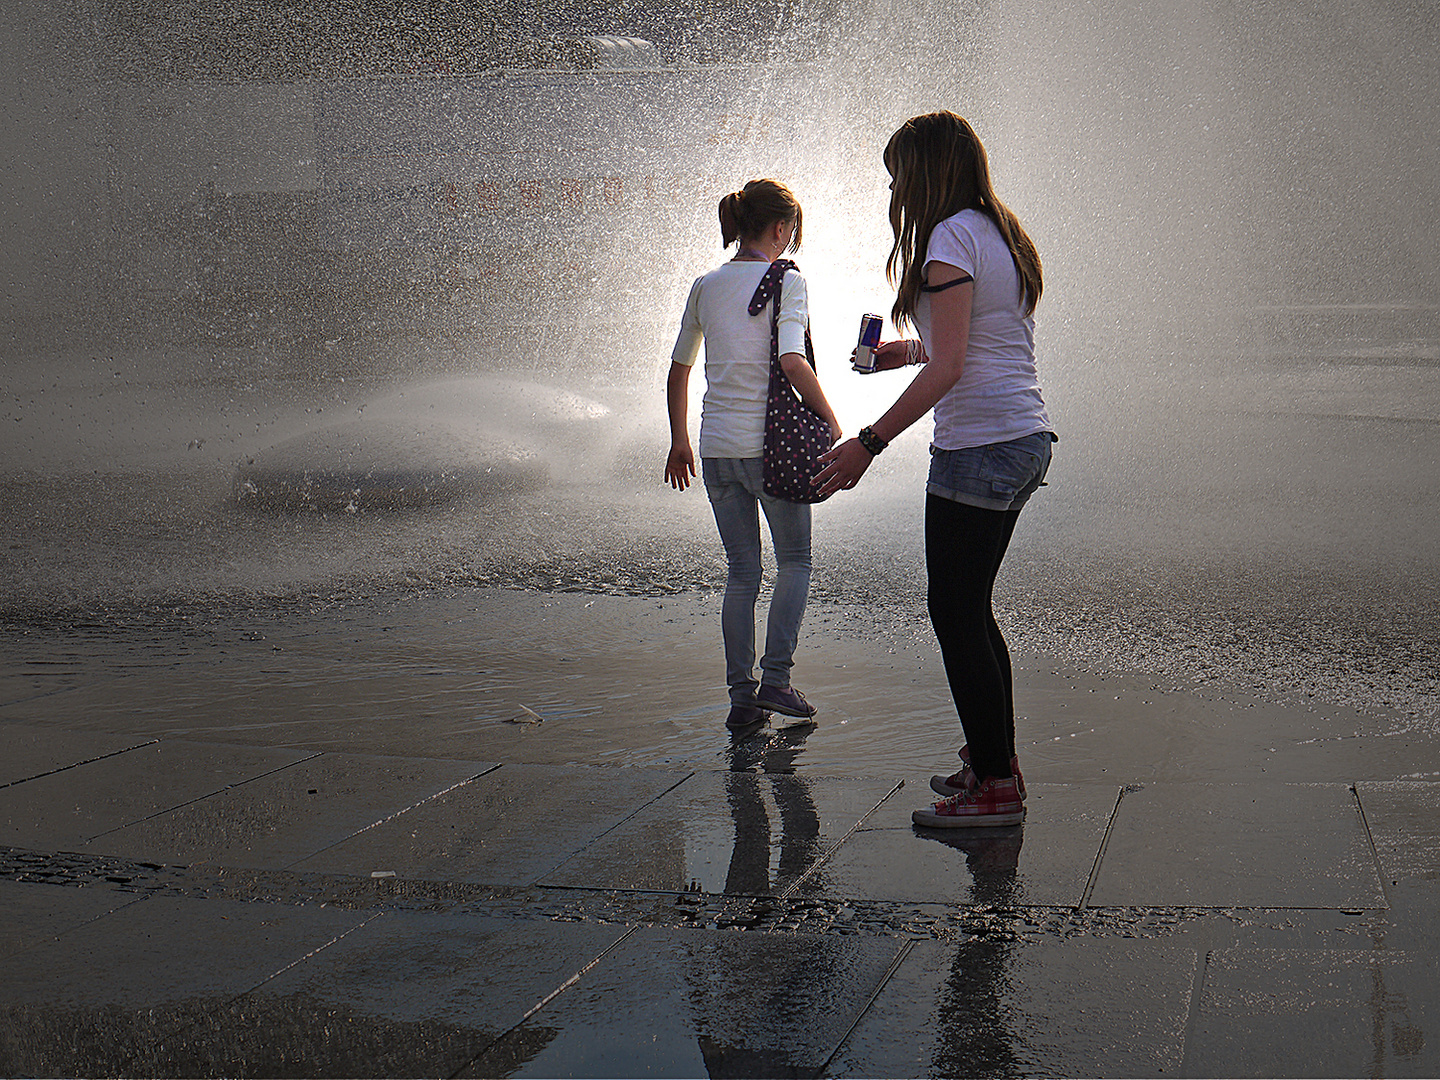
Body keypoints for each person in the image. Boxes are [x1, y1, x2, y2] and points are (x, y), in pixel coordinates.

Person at [815, 112, 1055, 827]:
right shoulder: (995, 230)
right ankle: (994, 761)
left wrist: (869, 440)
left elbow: (953, 365)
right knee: (970, 608)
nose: (893, 187)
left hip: (981, 445)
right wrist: (900, 352)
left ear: (924, 172)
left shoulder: (949, 235)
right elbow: (970, 342)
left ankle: (995, 789)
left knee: (954, 612)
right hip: (1021, 438)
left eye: (897, 173)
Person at [665, 179, 842, 731]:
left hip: (716, 450)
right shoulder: (787, 279)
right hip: (773, 452)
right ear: (780, 229)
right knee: (796, 563)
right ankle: (777, 681)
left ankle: (742, 698)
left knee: (742, 573)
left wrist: (679, 441)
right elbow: (793, 362)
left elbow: (679, 370)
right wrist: (833, 422)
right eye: (793, 231)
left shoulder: (705, 284)